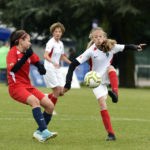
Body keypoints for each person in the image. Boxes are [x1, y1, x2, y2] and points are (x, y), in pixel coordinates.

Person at [63, 27, 146, 141]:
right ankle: (111, 134)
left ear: (104, 37)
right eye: (95, 37)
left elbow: (126, 47)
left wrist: (136, 47)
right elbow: (73, 64)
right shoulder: (91, 51)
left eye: (100, 36)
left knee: (111, 67)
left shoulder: (111, 46)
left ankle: (115, 94)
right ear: (92, 38)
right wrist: (68, 83)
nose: (98, 39)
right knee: (102, 104)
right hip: (95, 80)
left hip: (107, 74)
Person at [7, 30, 57, 142]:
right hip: (16, 87)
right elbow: (13, 69)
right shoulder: (12, 52)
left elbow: (36, 61)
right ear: (20, 41)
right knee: (35, 101)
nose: (30, 43)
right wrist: (25, 57)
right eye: (28, 41)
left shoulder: (28, 51)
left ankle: (39, 132)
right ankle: (45, 132)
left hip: (27, 86)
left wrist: (41, 68)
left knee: (50, 106)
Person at [43, 22, 72, 106]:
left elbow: (62, 57)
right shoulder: (50, 43)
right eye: (56, 31)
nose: (58, 33)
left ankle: (43, 97)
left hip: (56, 69)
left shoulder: (61, 44)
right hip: (49, 68)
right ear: (53, 33)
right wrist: (53, 62)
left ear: (62, 33)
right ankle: (50, 109)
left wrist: (72, 64)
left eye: (59, 32)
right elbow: (45, 55)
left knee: (62, 92)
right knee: (56, 91)